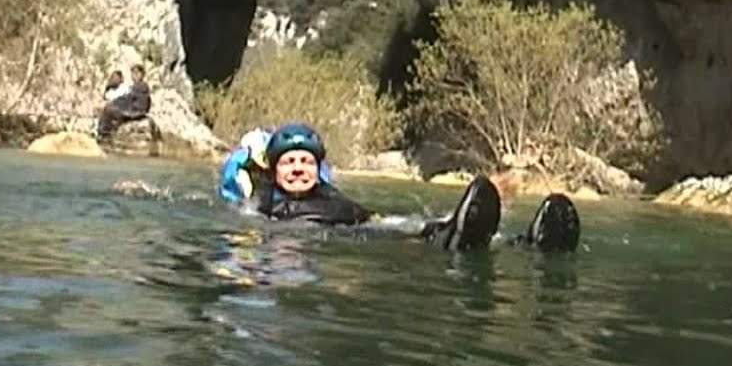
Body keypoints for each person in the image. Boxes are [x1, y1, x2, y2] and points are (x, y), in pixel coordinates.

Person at [220, 122, 580, 252]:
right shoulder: (265, 200)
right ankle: (451, 235)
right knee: (403, 237)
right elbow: (240, 193)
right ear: (275, 170)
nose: (298, 168)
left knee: (407, 225)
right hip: (337, 241)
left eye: (306, 162)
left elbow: (374, 219)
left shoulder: (330, 196)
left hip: (361, 226)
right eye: (289, 162)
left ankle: (523, 245)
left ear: (319, 169)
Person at [96, 64, 152, 140]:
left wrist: (115, 102)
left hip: (135, 111)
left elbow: (128, 98)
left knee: (109, 110)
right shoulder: (137, 86)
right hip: (134, 109)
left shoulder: (141, 86)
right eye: (133, 73)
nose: (135, 75)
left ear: (142, 75)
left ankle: (103, 133)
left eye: (137, 73)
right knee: (111, 108)